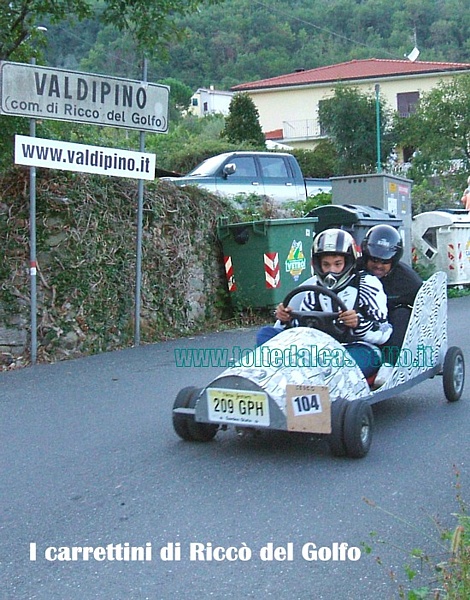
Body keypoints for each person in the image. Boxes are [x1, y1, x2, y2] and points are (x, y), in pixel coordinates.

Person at [256, 228, 393, 378]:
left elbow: (384, 331)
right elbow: (302, 328)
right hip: (318, 348)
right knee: (266, 334)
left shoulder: (367, 283)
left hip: (355, 348)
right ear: (318, 264)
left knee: (345, 362)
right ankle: (278, 379)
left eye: (337, 264)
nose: (331, 270)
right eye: (326, 265)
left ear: (348, 262)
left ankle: (311, 379)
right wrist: (286, 318)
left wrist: (357, 323)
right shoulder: (314, 286)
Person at [360, 224, 422, 364]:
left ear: (393, 261)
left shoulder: (410, 281)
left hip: (391, 325)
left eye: (385, 262)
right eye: (374, 260)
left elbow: (425, 310)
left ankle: (389, 363)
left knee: (403, 313)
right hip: (361, 321)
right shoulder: (354, 270)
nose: (378, 266)